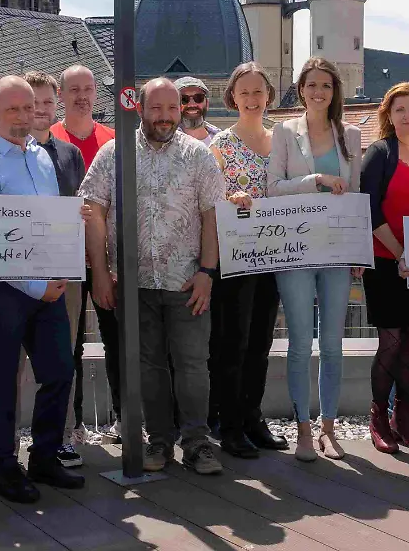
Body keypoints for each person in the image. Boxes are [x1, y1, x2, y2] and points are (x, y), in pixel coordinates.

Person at [83, 77, 226, 476]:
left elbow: (211, 215)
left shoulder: (199, 155)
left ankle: (196, 443)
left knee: (193, 365)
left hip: (185, 282)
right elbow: (93, 211)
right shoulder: (114, 154)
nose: (165, 117)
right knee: (148, 366)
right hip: (134, 282)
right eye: (157, 109)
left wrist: (206, 273)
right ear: (140, 109)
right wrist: (101, 273)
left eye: (172, 109)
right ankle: (159, 441)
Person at [0, 76, 84, 502]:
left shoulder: (43, 158)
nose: (22, 116)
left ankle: (44, 458)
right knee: (1, 380)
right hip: (4, 292)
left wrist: (61, 267)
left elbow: (49, 222)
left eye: (28, 108)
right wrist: (36, 285)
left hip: (47, 284)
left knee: (58, 372)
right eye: (12, 109)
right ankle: (5, 467)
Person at [267, 58, 363, 462]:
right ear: (301, 90)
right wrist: (316, 181)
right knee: (300, 343)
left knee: (334, 344)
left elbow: (357, 194)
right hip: (296, 248)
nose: (318, 91)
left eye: (325, 85)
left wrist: (359, 250)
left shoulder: (351, 134)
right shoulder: (285, 133)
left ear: (334, 90)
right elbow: (273, 189)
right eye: (311, 85)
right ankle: (302, 429)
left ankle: (328, 427)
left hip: (338, 250)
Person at [208, 62, 288, 458]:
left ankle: (253, 416)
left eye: (259, 92)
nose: (253, 99)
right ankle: (229, 424)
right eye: (245, 92)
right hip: (235, 258)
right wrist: (229, 200)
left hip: (274, 255)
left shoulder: (282, 141)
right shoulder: (220, 144)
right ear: (233, 98)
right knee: (232, 341)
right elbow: (205, 199)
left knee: (260, 341)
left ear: (269, 96)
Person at [360, 83, 409, 454]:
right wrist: (400, 252)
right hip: (385, 261)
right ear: (388, 116)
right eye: (399, 110)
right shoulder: (380, 153)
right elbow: (370, 211)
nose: (407, 115)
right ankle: (378, 415)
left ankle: (403, 417)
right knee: (390, 342)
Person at [50, 65, 121, 442]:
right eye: (73, 89)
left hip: (106, 258)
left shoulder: (113, 139)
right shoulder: (50, 139)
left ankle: (124, 418)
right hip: (65, 256)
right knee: (70, 344)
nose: (81, 96)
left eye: (88, 89)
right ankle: (74, 423)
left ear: (97, 94)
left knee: (116, 338)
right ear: (61, 95)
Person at [23, 71, 86, 469]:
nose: (41, 109)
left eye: (47, 102)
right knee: (14, 360)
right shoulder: (7, 154)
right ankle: (11, 439)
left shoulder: (69, 154)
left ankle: (59, 436)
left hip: (64, 268)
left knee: (64, 356)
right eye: (33, 103)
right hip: (16, 271)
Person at [176, 76, 222, 144]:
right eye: (183, 99)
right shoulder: (162, 143)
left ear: (207, 103)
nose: (192, 104)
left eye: (198, 98)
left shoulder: (222, 141)